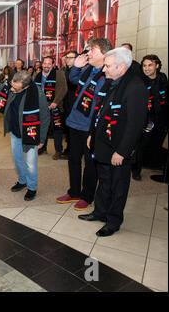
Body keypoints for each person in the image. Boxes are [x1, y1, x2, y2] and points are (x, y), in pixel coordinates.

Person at [80, 47, 147, 237]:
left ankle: (113, 221)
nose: (104, 70)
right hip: (103, 143)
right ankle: (100, 212)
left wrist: (122, 151)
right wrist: (93, 133)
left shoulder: (135, 88)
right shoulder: (112, 82)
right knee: (105, 181)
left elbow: (135, 125)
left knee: (118, 186)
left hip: (118, 148)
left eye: (108, 66)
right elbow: (101, 112)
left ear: (122, 66)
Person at [0, 71, 50, 201]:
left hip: (30, 134)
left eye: (15, 88)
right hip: (15, 132)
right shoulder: (12, 85)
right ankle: (22, 180)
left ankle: (32, 187)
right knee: (18, 159)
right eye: (11, 86)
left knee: (30, 164)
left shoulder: (38, 95)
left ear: (25, 86)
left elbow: (45, 117)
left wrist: (42, 140)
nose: (11, 89)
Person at [56, 38, 113, 210]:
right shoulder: (89, 69)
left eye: (92, 50)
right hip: (75, 122)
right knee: (73, 159)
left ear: (104, 53)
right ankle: (74, 191)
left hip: (89, 126)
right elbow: (73, 81)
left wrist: (93, 131)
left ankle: (87, 196)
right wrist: (76, 67)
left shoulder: (107, 75)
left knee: (90, 164)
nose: (88, 53)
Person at [132, 54, 168, 180]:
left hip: (161, 116)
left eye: (150, 65)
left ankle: (156, 164)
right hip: (146, 117)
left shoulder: (162, 78)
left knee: (159, 142)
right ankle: (136, 170)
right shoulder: (139, 80)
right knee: (141, 144)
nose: (147, 68)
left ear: (157, 66)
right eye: (144, 65)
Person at [34, 56, 68, 158]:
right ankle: (42, 148)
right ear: (42, 64)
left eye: (49, 64)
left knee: (56, 128)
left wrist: (55, 102)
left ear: (53, 65)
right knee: (42, 128)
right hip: (41, 107)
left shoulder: (59, 74)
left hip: (55, 106)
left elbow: (63, 89)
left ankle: (58, 150)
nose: (46, 66)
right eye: (45, 63)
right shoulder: (37, 75)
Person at [60, 50, 79, 157]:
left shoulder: (78, 72)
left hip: (74, 104)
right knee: (67, 128)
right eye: (67, 57)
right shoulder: (65, 71)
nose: (67, 59)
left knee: (72, 130)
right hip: (66, 103)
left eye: (70, 57)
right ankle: (69, 148)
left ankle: (71, 151)